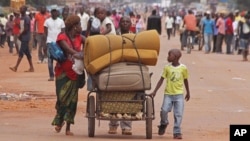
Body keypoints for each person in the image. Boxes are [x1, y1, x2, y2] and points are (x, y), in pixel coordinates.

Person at [51, 15, 85, 136]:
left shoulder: (80, 38)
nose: (81, 27)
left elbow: (90, 44)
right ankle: (60, 121)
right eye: (80, 24)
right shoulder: (62, 37)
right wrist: (79, 54)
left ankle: (68, 127)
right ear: (74, 26)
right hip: (62, 72)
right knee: (61, 99)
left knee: (72, 101)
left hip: (75, 73)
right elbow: (67, 49)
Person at [149, 48, 190, 139]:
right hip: (168, 94)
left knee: (178, 114)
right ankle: (164, 123)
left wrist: (188, 92)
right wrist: (155, 91)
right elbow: (161, 80)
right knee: (164, 110)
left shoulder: (183, 68)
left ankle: (177, 132)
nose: (168, 57)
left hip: (179, 95)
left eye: (169, 55)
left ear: (175, 57)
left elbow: (186, 80)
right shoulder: (167, 67)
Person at [108, 16, 133, 135]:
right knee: (114, 96)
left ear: (130, 24)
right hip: (116, 67)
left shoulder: (135, 37)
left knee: (128, 97)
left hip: (129, 67)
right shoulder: (114, 37)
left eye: (127, 22)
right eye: (123, 21)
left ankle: (126, 126)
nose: (125, 23)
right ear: (119, 24)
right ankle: (113, 124)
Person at [9, 6, 34, 72]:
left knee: (21, 52)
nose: (20, 10)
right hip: (23, 36)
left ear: (25, 10)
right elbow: (21, 27)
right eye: (20, 9)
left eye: (21, 9)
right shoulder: (22, 17)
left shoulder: (27, 18)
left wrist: (20, 34)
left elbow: (26, 28)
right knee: (27, 53)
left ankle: (16, 67)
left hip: (25, 37)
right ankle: (31, 67)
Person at [44, 7, 65, 81]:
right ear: (51, 12)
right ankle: (51, 76)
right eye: (52, 12)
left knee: (60, 59)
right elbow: (45, 32)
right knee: (50, 60)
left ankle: (60, 74)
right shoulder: (47, 21)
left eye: (55, 11)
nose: (54, 13)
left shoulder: (61, 21)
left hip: (59, 43)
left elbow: (63, 32)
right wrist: (45, 43)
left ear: (57, 12)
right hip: (50, 42)